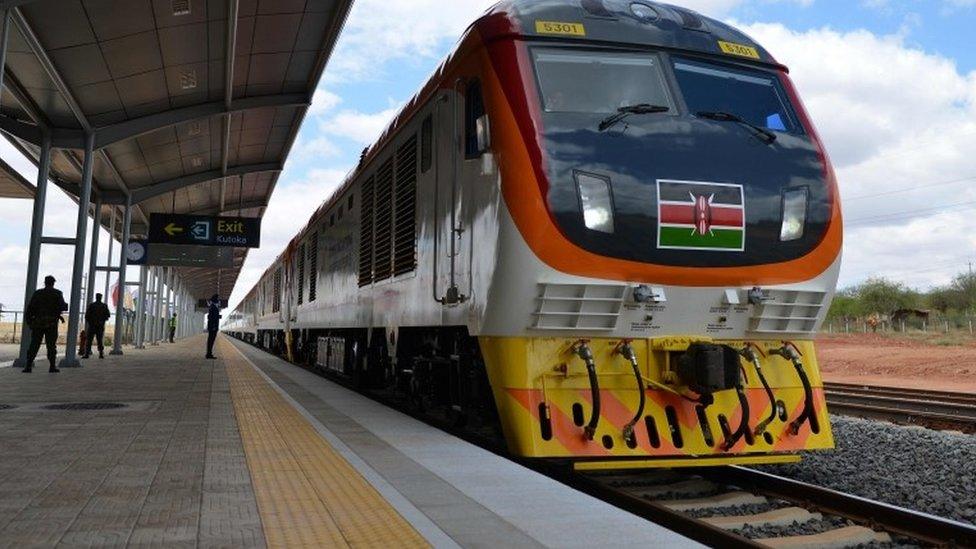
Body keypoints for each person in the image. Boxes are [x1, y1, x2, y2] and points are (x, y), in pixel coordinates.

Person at [23, 275, 68, 373]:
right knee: (51, 346)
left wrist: (30, 322)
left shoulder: (38, 293)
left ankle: (28, 366)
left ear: (45, 282)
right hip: (51, 323)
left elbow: (30, 309)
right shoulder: (57, 293)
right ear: (53, 283)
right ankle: (52, 366)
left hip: (38, 323)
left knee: (34, 344)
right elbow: (63, 306)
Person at [83, 293, 111, 359]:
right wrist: (102, 320)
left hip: (93, 325)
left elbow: (87, 316)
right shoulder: (103, 306)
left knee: (91, 340)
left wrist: (91, 321)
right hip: (98, 326)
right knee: (98, 340)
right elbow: (108, 315)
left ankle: (88, 353)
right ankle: (100, 353)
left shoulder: (92, 305)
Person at [206, 295, 221, 359]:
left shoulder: (213, 306)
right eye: (217, 299)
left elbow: (211, 316)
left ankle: (209, 353)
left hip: (212, 326)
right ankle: (209, 354)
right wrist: (214, 326)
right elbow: (211, 317)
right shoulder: (213, 307)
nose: (218, 300)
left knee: (211, 340)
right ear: (215, 299)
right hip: (213, 327)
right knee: (211, 340)